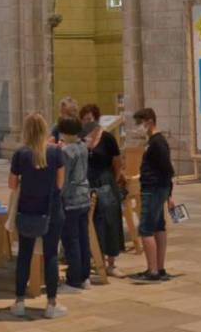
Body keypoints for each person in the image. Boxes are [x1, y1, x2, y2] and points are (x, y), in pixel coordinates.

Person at [9, 112, 67, 319]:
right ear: (45, 130)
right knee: (50, 255)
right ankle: (51, 304)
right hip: (51, 209)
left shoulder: (20, 154)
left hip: (27, 210)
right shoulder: (55, 153)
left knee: (24, 255)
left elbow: (12, 184)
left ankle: (19, 302)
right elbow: (60, 183)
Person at [80, 103, 126, 277]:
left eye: (90, 119)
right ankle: (94, 258)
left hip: (105, 181)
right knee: (90, 223)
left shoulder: (107, 138)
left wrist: (112, 181)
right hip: (87, 182)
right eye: (84, 120)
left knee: (109, 221)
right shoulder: (80, 138)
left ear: (96, 119)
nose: (87, 122)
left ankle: (111, 263)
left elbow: (117, 163)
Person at [131, 107, 175, 283]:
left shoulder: (157, 142)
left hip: (154, 188)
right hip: (157, 187)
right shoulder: (153, 141)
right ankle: (158, 267)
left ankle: (153, 270)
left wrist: (169, 194)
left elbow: (167, 169)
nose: (137, 126)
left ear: (149, 121)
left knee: (146, 229)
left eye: (139, 122)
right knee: (158, 227)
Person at [56, 116, 92, 292]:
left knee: (71, 240)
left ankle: (74, 279)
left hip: (70, 199)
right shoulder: (83, 146)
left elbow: (64, 178)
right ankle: (85, 275)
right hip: (84, 197)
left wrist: (57, 195)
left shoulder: (66, 151)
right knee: (83, 238)